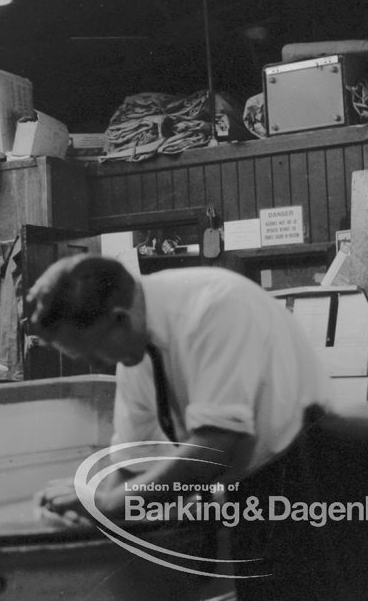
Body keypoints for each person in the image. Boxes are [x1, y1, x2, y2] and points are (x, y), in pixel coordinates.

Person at [24, 254, 332, 599]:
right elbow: (131, 463)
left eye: (92, 351)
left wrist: (107, 504)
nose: (96, 364)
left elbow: (214, 448)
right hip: (250, 483)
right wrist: (85, 501)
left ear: (119, 320)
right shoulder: (135, 350)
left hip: (309, 475)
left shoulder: (215, 310)